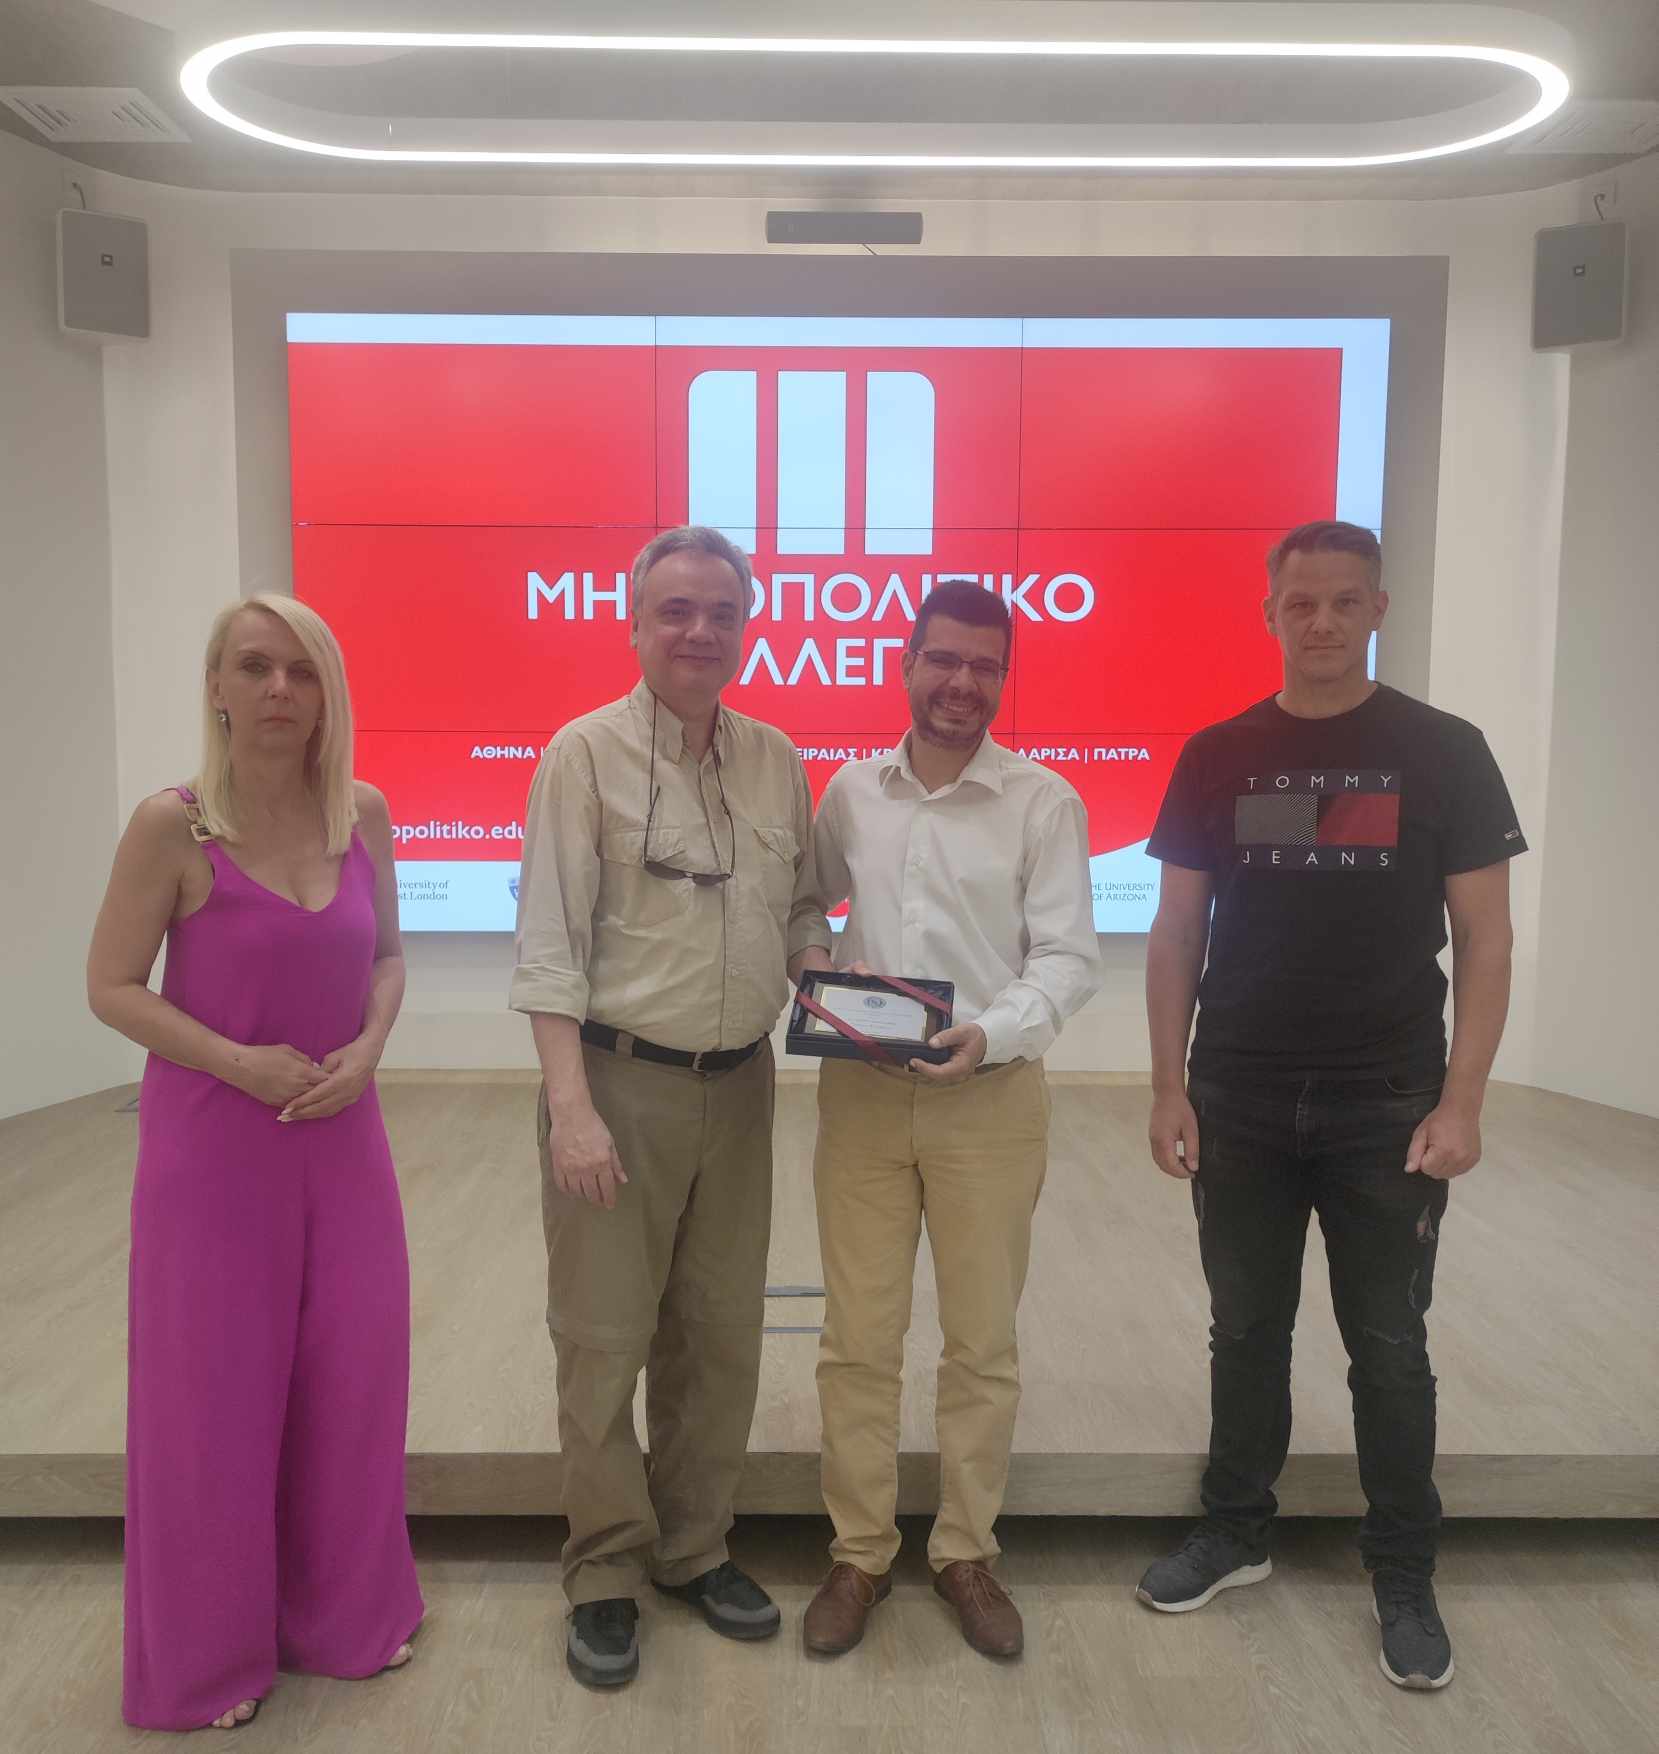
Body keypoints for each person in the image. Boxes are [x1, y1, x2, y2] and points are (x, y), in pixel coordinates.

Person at [1136, 520, 1525, 1690]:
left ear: (1377, 608)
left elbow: (1487, 937)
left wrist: (1464, 1100)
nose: (1321, 620)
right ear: (1270, 612)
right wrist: (1168, 1082)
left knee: (1390, 1346)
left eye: (1344, 600)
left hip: (1388, 1101)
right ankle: (1235, 1529)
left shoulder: (1445, 749)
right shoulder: (1217, 752)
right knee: (1245, 1330)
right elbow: (1178, 931)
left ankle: (1402, 1567)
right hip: (1239, 1092)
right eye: (1300, 601)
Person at [87, 594, 422, 1731]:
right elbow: (112, 986)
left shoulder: (362, 812)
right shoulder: (172, 827)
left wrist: (369, 1051)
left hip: (345, 1138)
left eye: (302, 670)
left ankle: (344, 1618)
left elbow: (386, 959)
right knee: (212, 1403)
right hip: (215, 1152)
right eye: (255, 666)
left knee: (352, 1381)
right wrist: (239, 1062)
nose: (280, 688)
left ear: (329, 693)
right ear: (218, 688)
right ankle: (207, 1656)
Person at [510, 525, 817, 1688]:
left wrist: (828, 972)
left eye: (722, 612)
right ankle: (603, 1569)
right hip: (616, 1085)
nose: (700, 630)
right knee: (603, 1340)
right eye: (676, 609)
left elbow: (802, 912)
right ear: (633, 622)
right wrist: (570, 1109)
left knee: (719, 1336)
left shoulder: (776, 757)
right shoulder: (580, 756)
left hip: (741, 1087)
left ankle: (694, 1548)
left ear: (747, 626)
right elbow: (549, 947)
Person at [789, 579, 1102, 1661]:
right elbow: (807, 901)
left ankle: (966, 1549)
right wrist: (817, 972)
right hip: (863, 1098)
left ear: (1002, 678)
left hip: (991, 1098)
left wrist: (992, 1031)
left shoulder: (1043, 802)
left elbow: (1068, 957)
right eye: (944, 659)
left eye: (985, 665)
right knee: (857, 1337)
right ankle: (860, 1552)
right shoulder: (850, 792)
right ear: (906, 665)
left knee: (980, 1342)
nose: (963, 682)